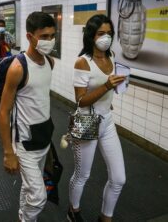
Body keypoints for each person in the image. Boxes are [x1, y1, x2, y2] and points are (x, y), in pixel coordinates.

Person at [0, 12, 56, 222]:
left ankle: (23, 216)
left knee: (30, 188)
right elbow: (3, 112)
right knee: (39, 197)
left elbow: (40, 100)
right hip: (24, 144)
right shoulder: (18, 68)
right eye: (44, 36)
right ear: (30, 37)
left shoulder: (50, 62)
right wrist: (8, 153)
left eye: (52, 36)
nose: (49, 41)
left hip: (43, 138)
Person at [68, 14, 126, 222]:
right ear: (91, 35)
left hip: (107, 121)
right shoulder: (83, 62)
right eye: (101, 33)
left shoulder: (111, 58)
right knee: (82, 175)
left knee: (119, 178)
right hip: (86, 122)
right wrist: (107, 86)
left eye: (109, 33)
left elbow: (106, 92)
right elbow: (80, 100)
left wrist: (115, 88)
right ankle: (73, 210)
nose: (106, 37)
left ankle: (105, 217)